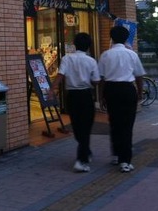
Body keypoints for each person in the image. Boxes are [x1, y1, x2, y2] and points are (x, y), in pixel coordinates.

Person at [50, 33, 100, 173]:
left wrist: (52, 90)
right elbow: (96, 81)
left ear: (74, 44)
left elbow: (60, 75)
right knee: (86, 127)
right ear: (89, 46)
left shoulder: (66, 58)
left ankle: (86, 152)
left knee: (77, 126)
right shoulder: (91, 61)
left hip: (71, 96)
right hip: (85, 95)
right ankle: (81, 160)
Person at [98, 25, 145, 173]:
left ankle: (116, 155)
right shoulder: (132, 54)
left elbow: (101, 78)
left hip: (111, 90)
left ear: (112, 38)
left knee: (114, 123)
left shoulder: (105, 55)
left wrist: (101, 96)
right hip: (127, 90)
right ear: (126, 39)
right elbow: (139, 75)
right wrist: (140, 92)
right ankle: (125, 161)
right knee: (127, 125)